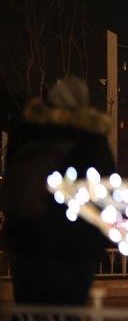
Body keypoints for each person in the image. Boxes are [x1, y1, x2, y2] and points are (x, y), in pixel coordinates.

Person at [0, 77, 115, 305]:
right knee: (69, 311)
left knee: (30, 311)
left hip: (26, 241)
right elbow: (105, 192)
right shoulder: (91, 138)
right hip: (75, 247)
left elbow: (11, 181)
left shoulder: (26, 133)